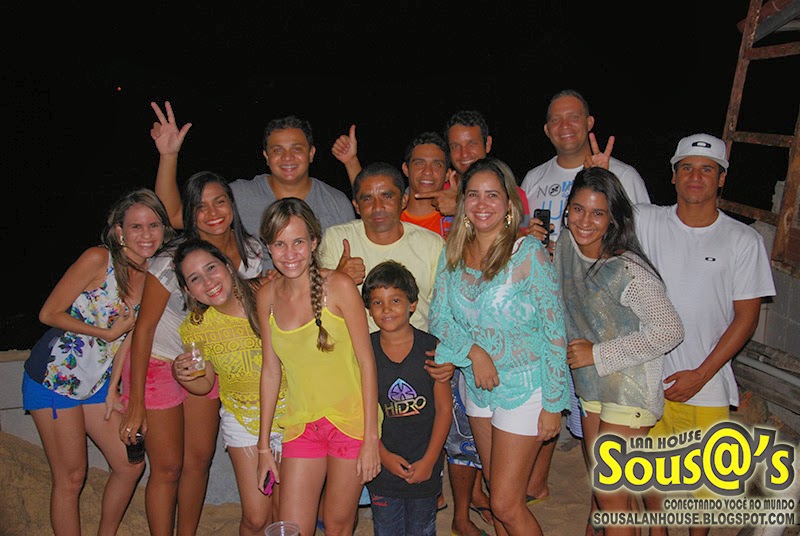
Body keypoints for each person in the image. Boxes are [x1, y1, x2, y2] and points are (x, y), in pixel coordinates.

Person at [635, 133, 776, 536]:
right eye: (687, 168)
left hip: (707, 379)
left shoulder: (743, 240)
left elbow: (746, 318)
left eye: (707, 169)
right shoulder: (646, 220)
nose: (695, 177)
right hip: (648, 374)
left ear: (722, 178)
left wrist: (701, 374)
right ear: (673, 175)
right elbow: (593, 213)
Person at [520, 89, 651, 515]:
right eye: (556, 119)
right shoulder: (534, 178)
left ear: (590, 122)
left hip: (612, 332)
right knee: (578, 416)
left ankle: (609, 509)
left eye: (574, 117)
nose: (566, 126)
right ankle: (599, 507)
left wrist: (606, 182)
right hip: (561, 318)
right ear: (546, 129)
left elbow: (640, 241)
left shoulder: (624, 175)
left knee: (614, 442)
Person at [429, 157, 570, 536]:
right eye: (473, 194)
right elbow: (439, 318)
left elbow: (555, 332)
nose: (482, 203)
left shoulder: (528, 253)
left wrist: (553, 405)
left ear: (509, 203)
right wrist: (474, 353)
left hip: (525, 387)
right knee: (495, 489)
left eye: (492, 195)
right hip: (477, 387)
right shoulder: (453, 252)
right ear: (463, 203)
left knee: (507, 504)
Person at [119, 169, 264, 536]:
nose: (212, 213)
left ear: (232, 204)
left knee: (198, 461)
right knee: (167, 467)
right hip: (159, 362)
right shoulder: (171, 259)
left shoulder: (251, 252)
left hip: (206, 365)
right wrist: (135, 403)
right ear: (189, 213)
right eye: (200, 207)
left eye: (219, 202)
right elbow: (144, 329)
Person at [22, 188, 173, 536]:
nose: (146, 234)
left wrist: (114, 386)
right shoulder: (98, 259)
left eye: (154, 225)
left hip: (96, 383)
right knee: (72, 477)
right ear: (119, 231)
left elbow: (131, 337)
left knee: (129, 465)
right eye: (136, 227)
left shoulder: (154, 272)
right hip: (55, 377)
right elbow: (49, 313)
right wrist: (104, 333)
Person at [554, 167, 685, 536]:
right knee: (610, 491)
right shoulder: (565, 245)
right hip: (591, 384)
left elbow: (670, 330)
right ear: (567, 209)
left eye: (598, 213)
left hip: (631, 387)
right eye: (578, 209)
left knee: (611, 498)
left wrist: (598, 354)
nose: (585, 221)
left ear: (613, 218)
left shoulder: (628, 269)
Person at [256, 197, 381, 536]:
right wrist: (263, 446)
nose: (290, 253)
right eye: (280, 244)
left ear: (314, 242)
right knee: (293, 526)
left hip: (351, 423)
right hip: (301, 424)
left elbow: (367, 362)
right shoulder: (266, 296)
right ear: (268, 247)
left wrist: (370, 438)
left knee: (338, 524)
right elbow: (270, 371)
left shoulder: (338, 286)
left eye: (298, 241)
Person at [150, 101, 355, 269]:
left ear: (311, 154)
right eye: (277, 150)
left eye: (297, 149)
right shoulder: (240, 195)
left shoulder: (336, 203)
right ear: (266, 156)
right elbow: (174, 216)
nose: (287, 157)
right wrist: (168, 156)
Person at [171, 239, 286, 535]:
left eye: (211, 268)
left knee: (283, 512)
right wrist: (184, 375)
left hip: (293, 413)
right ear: (188, 290)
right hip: (243, 420)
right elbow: (206, 383)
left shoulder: (266, 296)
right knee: (256, 517)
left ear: (228, 266)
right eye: (195, 278)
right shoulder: (195, 327)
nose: (208, 281)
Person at [361, 260, 452, 536]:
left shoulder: (431, 348)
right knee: (387, 528)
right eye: (377, 302)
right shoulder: (365, 352)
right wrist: (382, 455)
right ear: (368, 309)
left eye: (395, 300)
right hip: (382, 466)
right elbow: (360, 411)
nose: (386, 309)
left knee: (421, 529)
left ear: (412, 304)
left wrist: (429, 461)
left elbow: (444, 410)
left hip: (425, 464)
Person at [318, 161, 444, 333]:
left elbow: (444, 312)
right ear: (356, 206)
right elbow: (315, 307)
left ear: (403, 200)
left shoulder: (431, 244)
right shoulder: (336, 238)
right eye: (367, 198)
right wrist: (338, 279)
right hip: (353, 346)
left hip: (418, 345)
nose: (378, 207)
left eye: (387, 196)